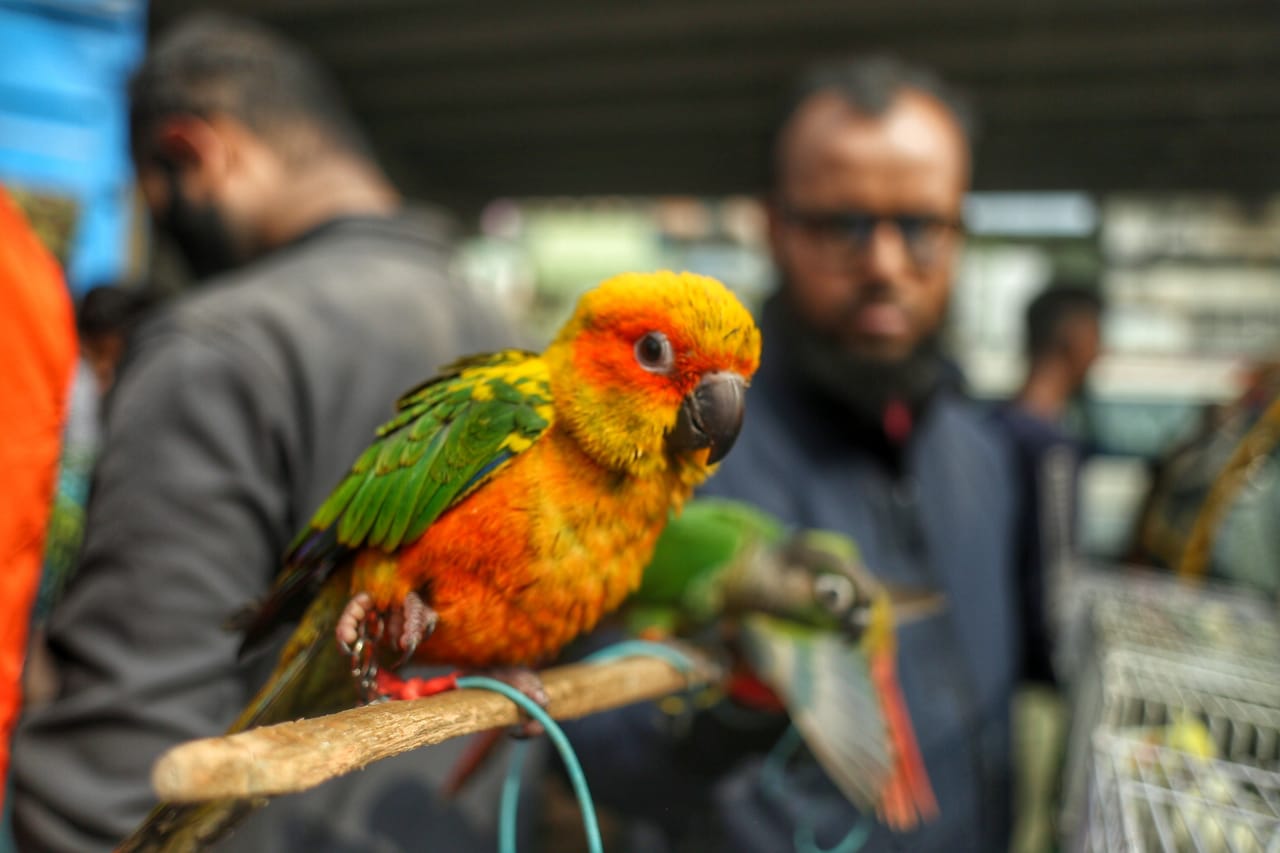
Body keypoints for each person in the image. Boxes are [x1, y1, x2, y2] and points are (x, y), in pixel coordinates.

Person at [10, 14, 518, 852]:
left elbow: (120, 762)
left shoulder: (223, 347)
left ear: (193, 151)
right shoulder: (509, 339)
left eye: (156, 197)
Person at [566, 56, 1019, 852]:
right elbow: (586, 741)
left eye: (919, 226)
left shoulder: (985, 454)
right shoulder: (668, 455)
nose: (883, 264)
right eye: (842, 224)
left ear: (957, 230)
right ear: (775, 226)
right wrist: (731, 706)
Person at [992, 285, 1103, 682]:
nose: (1101, 352)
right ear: (1075, 337)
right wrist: (1059, 667)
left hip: (992, 654)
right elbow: (1055, 573)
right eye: (1098, 336)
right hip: (1030, 672)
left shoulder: (995, 426)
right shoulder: (1049, 446)